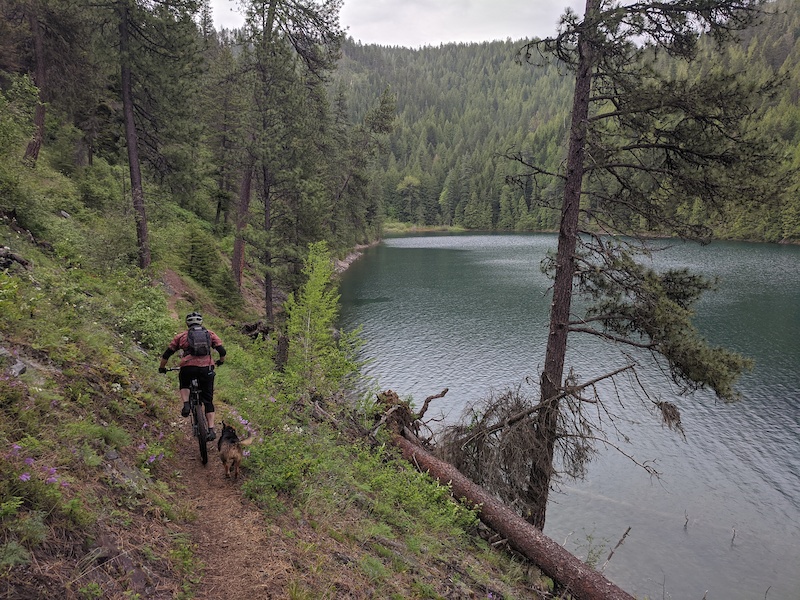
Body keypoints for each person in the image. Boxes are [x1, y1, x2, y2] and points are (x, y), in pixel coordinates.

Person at [158, 312, 226, 441]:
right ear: (201, 322)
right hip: (207, 368)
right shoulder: (210, 334)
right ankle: (211, 430)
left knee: (184, 382)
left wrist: (162, 368)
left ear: (187, 323)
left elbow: (167, 354)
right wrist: (220, 361)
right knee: (208, 399)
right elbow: (222, 351)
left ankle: (186, 404)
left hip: (188, 367)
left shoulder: (182, 336)